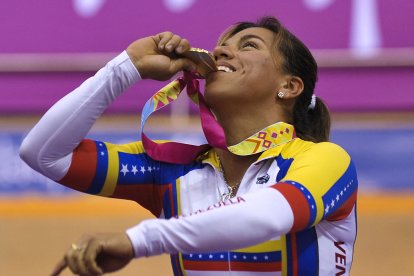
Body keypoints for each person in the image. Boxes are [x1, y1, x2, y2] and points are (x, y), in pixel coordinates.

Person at [20, 16, 358, 276]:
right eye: (222, 45)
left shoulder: (325, 160)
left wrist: (139, 240)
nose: (221, 50)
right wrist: (126, 68)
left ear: (289, 86)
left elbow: (269, 216)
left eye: (249, 45)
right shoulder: (171, 172)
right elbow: (43, 153)